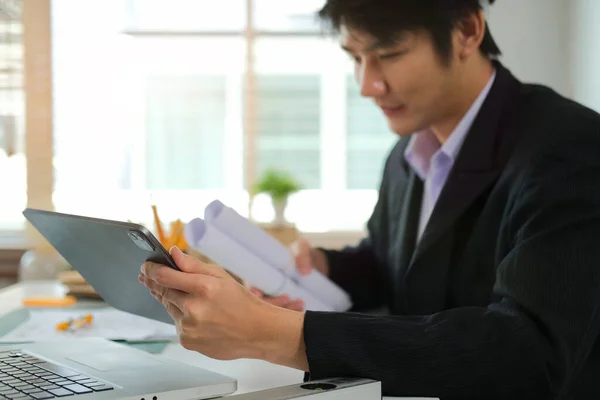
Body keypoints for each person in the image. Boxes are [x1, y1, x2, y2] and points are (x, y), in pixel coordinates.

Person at [138, 0, 600, 398]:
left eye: (388, 55)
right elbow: (393, 269)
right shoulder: (407, 155)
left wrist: (275, 334)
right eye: (355, 57)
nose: (366, 84)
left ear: (467, 31)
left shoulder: (571, 148)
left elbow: (528, 354)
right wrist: (323, 268)